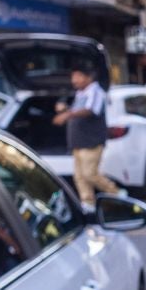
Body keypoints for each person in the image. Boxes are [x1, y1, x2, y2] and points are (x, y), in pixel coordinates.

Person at [52, 65, 122, 212]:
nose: (74, 80)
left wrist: (67, 115)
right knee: (79, 176)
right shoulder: (80, 93)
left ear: (88, 77)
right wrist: (65, 109)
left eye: (78, 76)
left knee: (90, 174)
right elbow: (77, 110)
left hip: (91, 142)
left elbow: (90, 110)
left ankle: (117, 194)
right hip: (78, 142)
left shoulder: (95, 91)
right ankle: (88, 203)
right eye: (73, 77)